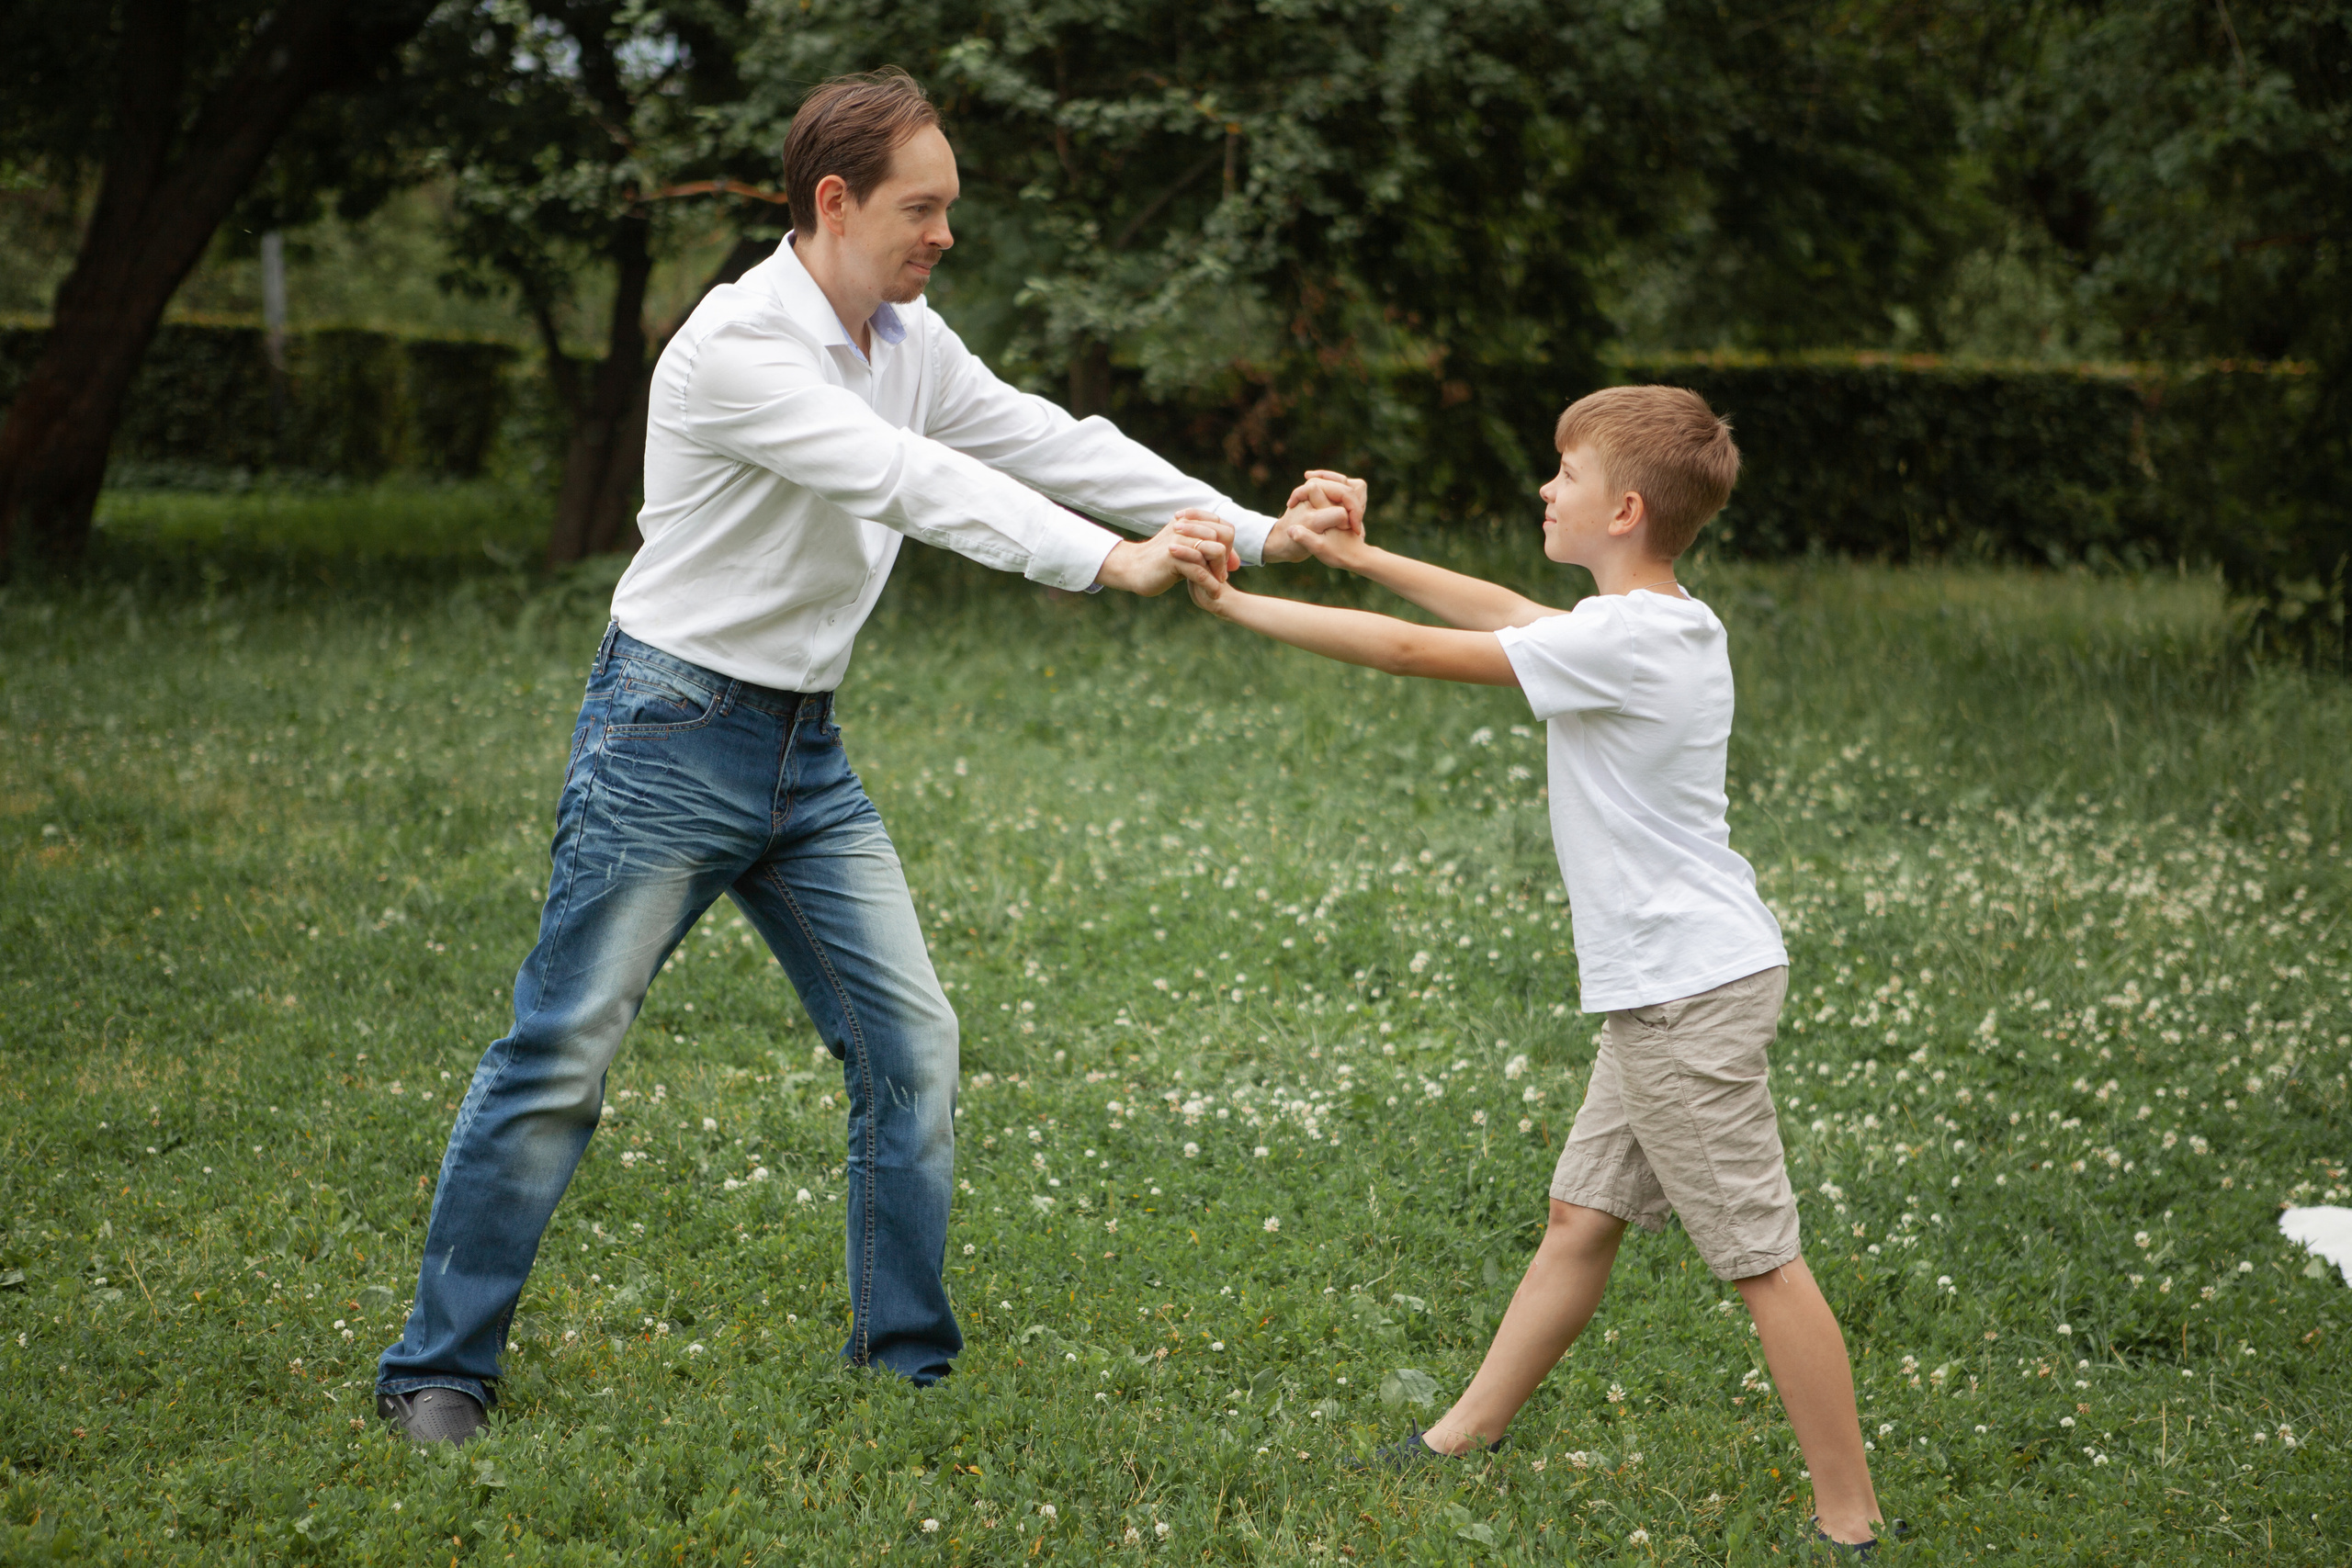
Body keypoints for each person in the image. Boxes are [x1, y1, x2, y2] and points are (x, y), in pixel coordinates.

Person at [374, 67, 1351, 1447]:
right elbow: (909, 480)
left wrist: (1254, 529)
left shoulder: (906, 336)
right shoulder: (740, 348)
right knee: (562, 1054)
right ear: (834, 202)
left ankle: (904, 1367)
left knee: (913, 1047)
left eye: (948, 208)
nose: (944, 234)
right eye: (921, 208)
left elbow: (1047, 439)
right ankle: (437, 1373)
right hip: (667, 737)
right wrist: (1106, 562)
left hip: (804, 753)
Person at [1166, 387, 1896, 1554]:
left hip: (1683, 996)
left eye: (1565, 475)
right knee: (1579, 1215)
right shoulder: (1660, 621)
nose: (1544, 490)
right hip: (1676, 984)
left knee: (1760, 1260)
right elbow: (1509, 611)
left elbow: (1418, 651)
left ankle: (1849, 1524)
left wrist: (1239, 605)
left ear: (1625, 509)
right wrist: (1360, 558)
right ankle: (1460, 1435)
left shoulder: (1623, 640)